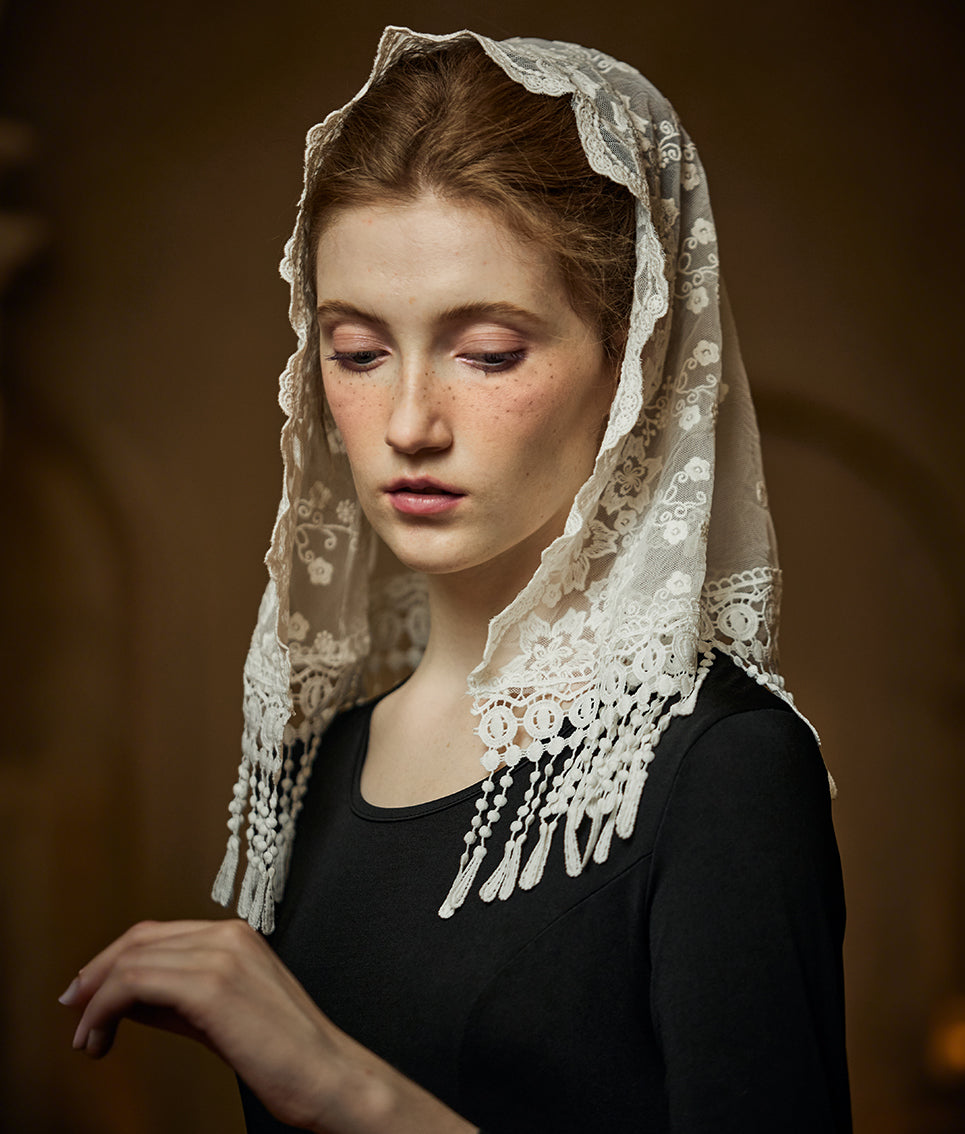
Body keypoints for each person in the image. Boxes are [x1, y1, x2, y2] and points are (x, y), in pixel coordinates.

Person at [60, 27, 852, 1133]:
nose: (409, 424)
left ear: (631, 363)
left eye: (486, 353)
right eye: (357, 352)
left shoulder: (721, 772)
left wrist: (348, 1091)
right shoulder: (326, 759)